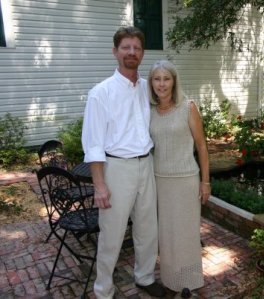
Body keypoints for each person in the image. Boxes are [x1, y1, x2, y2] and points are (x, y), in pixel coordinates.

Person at [81, 27, 166, 299]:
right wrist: (99, 185)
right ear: (115, 51)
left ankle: (144, 277)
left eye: (137, 48)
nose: (132, 52)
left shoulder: (146, 88)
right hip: (117, 168)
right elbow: (93, 144)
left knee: (147, 229)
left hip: (146, 165)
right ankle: (103, 290)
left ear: (142, 53)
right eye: (126, 47)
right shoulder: (101, 93)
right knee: (112, 234)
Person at [148, 60, 210, 293]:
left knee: (186, 232)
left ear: (174, 81)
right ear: (151, 83)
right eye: (157, 79)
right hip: (159, 180)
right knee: (166, 233)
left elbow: (202, 146)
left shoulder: (188, 107)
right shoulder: (150, 111)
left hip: (185, 180)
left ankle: (190, 281)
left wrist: (205, 182)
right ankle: (170, 279)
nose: (161, 84)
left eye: (166, 79)